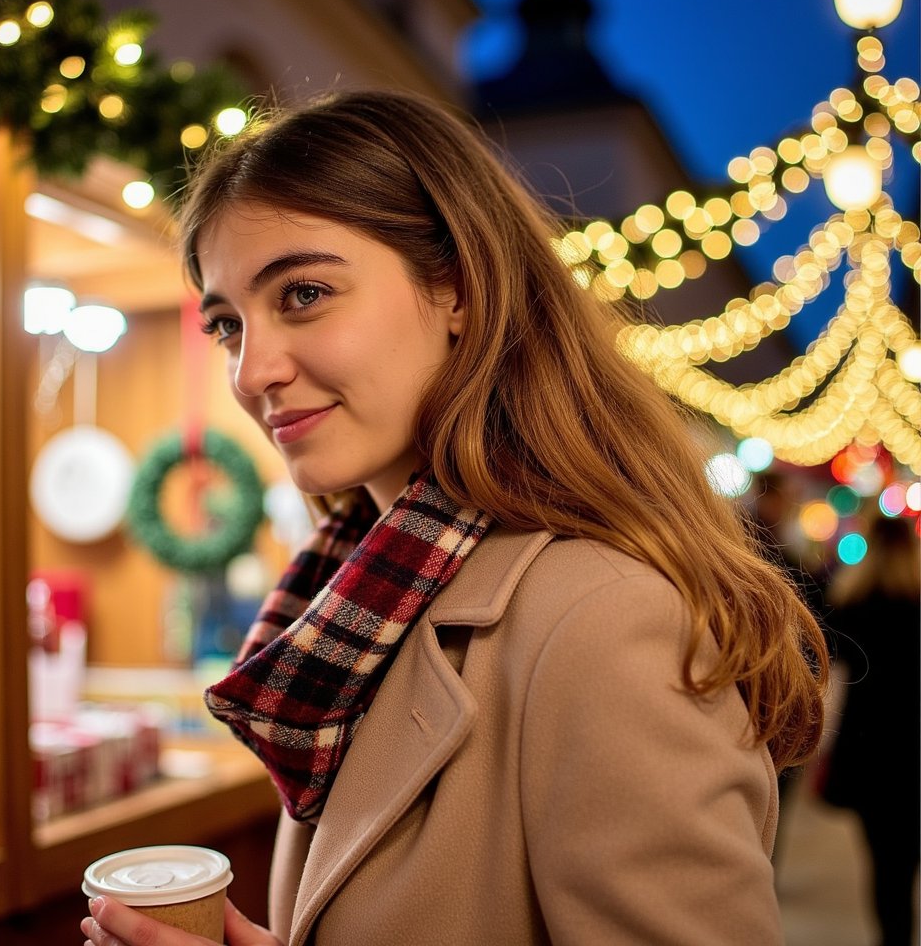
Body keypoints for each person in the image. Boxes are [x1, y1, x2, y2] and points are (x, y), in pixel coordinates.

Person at [81, 89, 827, 946]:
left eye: (304, 293)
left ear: (459, 291)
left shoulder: (605, 620)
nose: (252, 372)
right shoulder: (356, 595)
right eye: (226, 325)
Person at [819, 506, 919, 946]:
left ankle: (893, 936)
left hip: (871, 750)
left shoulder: (851, 603)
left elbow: (834, 683)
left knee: (886, 865)